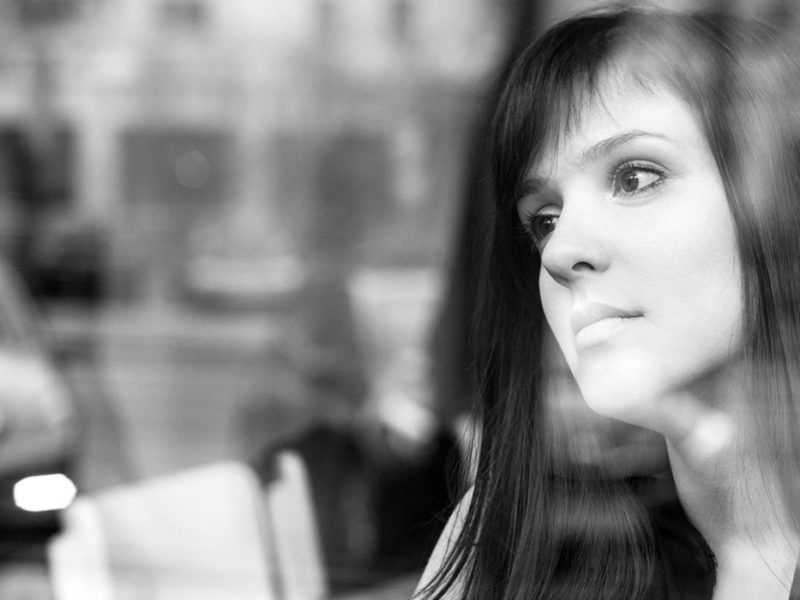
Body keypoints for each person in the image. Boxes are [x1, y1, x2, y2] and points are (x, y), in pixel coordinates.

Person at [415, 5, 800, 599]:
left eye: (635, 178)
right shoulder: (508, 538)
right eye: (544, 220)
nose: (558, 251)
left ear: (778, 209)